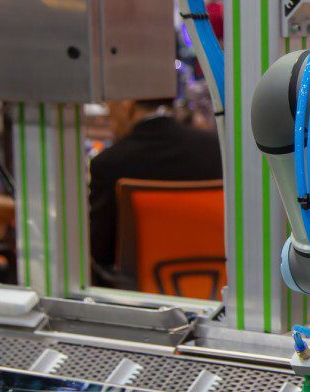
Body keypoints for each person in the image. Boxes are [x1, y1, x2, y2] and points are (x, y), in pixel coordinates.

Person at [88, 98, 222, 282]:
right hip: (215, 292)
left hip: (139, 300)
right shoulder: (216, 150)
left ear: (127, 105)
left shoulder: (108, 164)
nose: (109, 119)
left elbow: (100, 252)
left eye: (110, 108)